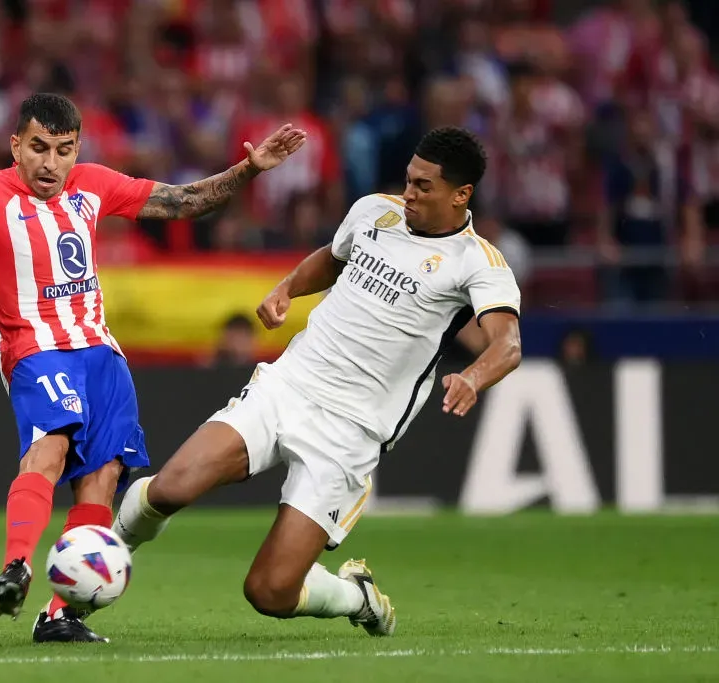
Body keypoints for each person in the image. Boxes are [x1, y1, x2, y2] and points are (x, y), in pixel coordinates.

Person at [0, 93, 305, 643]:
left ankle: (60, 614)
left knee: (104, 479)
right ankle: (17, 566)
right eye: (38, 148)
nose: (50, 163)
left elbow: (182, 202)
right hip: (36, 350)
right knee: (51, 448)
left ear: (77, 149)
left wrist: (249, 169)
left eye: (63, 150)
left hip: (103, 356)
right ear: (15, 146)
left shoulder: (93, 183)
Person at [113, 127, 522, 636]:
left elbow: (507, 344)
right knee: (169, 488)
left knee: (270, 591)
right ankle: (90, 578)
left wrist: (473, 378)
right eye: (408, 180)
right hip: (289, 385)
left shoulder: (478, 261)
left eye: (424, 186)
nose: (409, 194)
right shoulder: (375, 211)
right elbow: (333, 258)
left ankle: (357, 596)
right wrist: (288, 288)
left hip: (350, 431)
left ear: (461, 195)